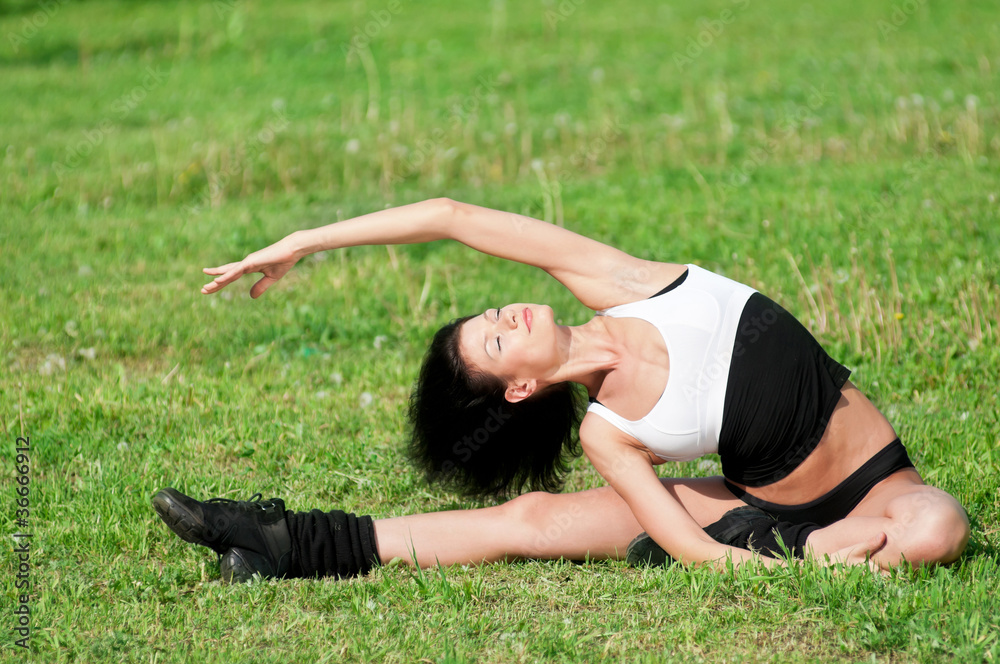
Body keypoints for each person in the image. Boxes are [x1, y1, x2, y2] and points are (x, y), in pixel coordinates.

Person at [153, 198, 970, 582]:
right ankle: (284, 540)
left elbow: (451, 215)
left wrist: (307, 239)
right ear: (522, 389)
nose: (505, 313)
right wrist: (791, 565)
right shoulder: (607, 433)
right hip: (764, 509)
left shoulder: (629, 282)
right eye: (498, 341)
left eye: (490, 315)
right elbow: (691, 549)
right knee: (530, 521)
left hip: (876, 484)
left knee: (936, 522)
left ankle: (824, 549)